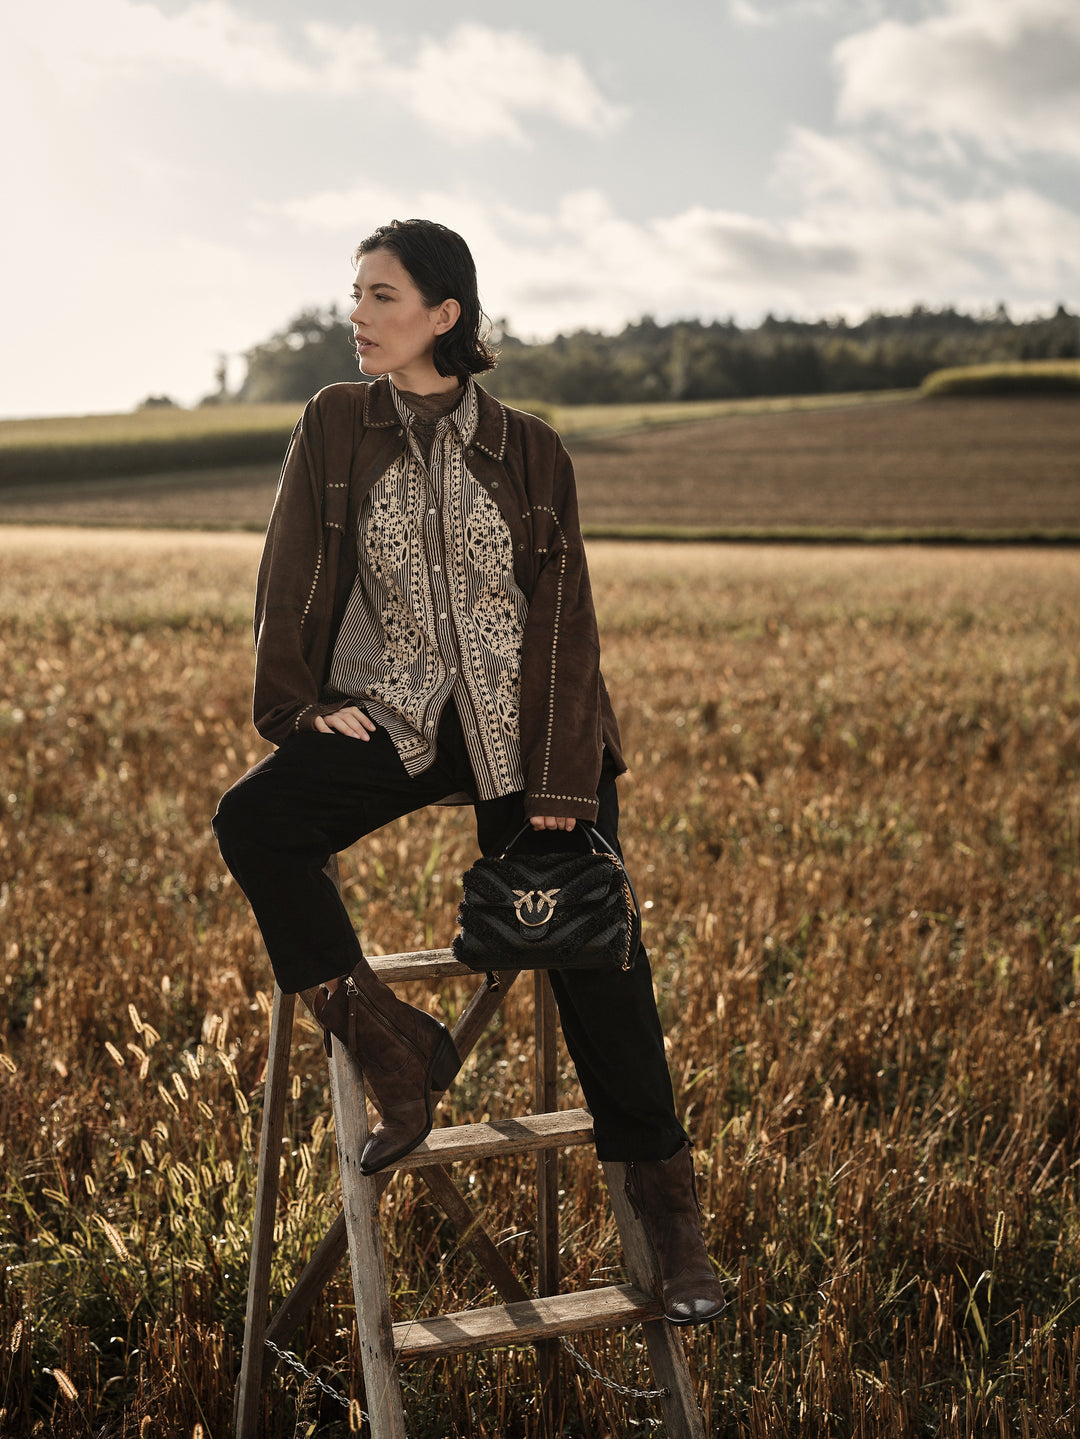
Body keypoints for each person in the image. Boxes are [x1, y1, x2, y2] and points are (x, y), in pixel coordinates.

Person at [213, 218, 724, 1326]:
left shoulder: (532, 448)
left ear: (446, 314)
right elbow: (292, 561)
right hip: (398, 710)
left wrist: (558, 779)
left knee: (593, 945)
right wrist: (301, 706)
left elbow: (564, 617)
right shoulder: (338, 422)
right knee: (254, 821)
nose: (359, 315)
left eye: (383, 297)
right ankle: (395, 1043)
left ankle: (669, 1208)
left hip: (529, 722)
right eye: (357, 294)